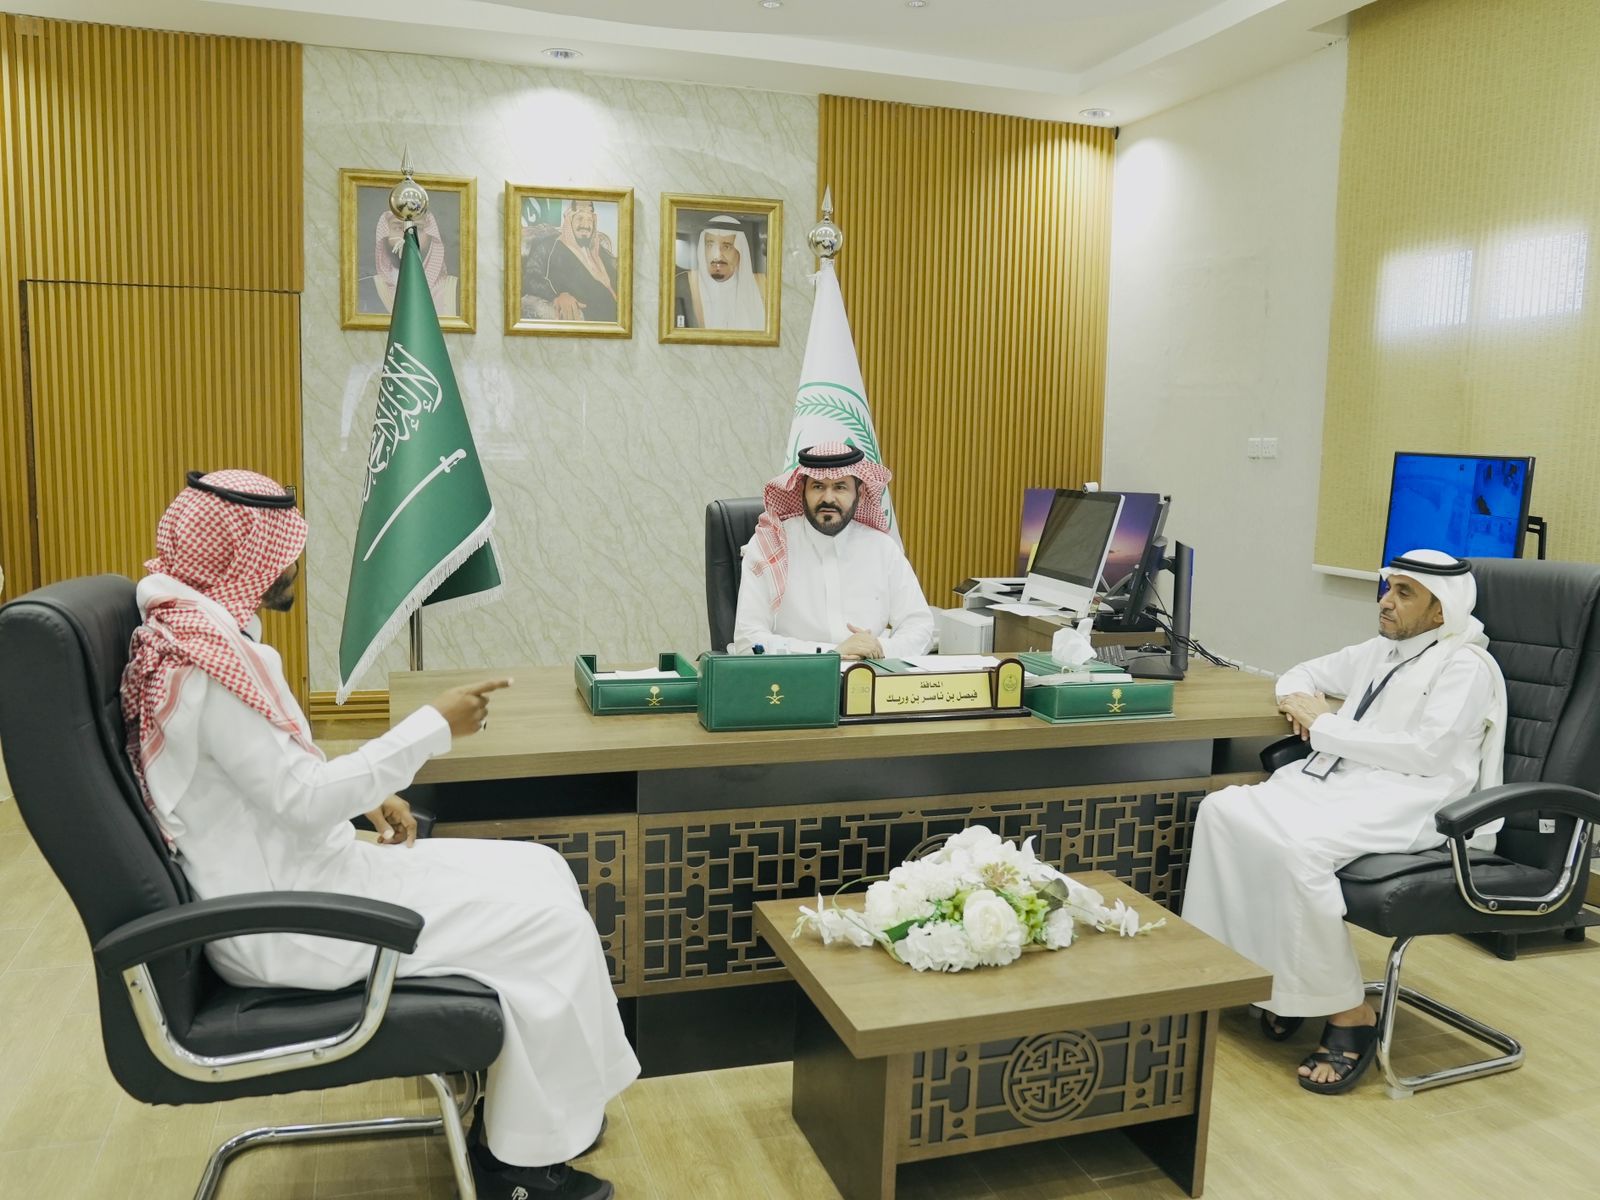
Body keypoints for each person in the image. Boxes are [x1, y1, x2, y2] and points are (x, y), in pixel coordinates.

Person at [119, 470, 635, 1200]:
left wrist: (367, 793)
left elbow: (271, 783)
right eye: (283, 549)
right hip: (293, 921)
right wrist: (432, 727)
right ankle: (517, 1171)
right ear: (242, 554)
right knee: (547, 925)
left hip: (304, 880)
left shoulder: (194, 634)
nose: (293, 562)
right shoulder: (204, 666)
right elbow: (300, 801)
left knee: (542, 869)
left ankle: (547, 1112)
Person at [1181, 549, 1506, 1095]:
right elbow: (1303, 672)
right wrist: (1298, 702)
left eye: (1404, 593)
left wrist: (1326, 726)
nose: (1386, 601)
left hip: (1414, 801)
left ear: (1440, 611)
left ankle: (1349, 1012)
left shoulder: (1465, 667)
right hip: (1348, 784)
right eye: (1388, 588)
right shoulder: (1383, 650)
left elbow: (1425, 754)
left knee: (1299, 849)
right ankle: (1262, 983)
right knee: (1222, 810)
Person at [733, 442, 934, 658]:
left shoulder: (882, 548)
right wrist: (832, 654)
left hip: (869, 671)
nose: (828, 498)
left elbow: (920, 626)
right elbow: (748, 641)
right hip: (794, 675)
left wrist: (878, 649)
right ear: (802, 491)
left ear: (859, 493)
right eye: (818, 486)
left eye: (840, 487)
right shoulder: (769, 545)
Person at [521, 199, 619, 324]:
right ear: (569, 220)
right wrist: (558, 295)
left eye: (589, 219)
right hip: (593, 321)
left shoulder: (598, 250)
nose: (585, 225)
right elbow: (530, 277)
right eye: (580, 218)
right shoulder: (549, 246)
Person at [673, 213, 766, 330]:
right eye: (710, 245)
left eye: (726, 247)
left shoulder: (762, 286)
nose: (717, 256)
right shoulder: (683, 284)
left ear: (739, 251)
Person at [359, 208, 459, 316]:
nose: (408, 237)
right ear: (385, 235)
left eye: (417, 228)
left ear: (430, 236)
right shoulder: (363, 289)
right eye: (398, 227)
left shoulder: (457, 290)